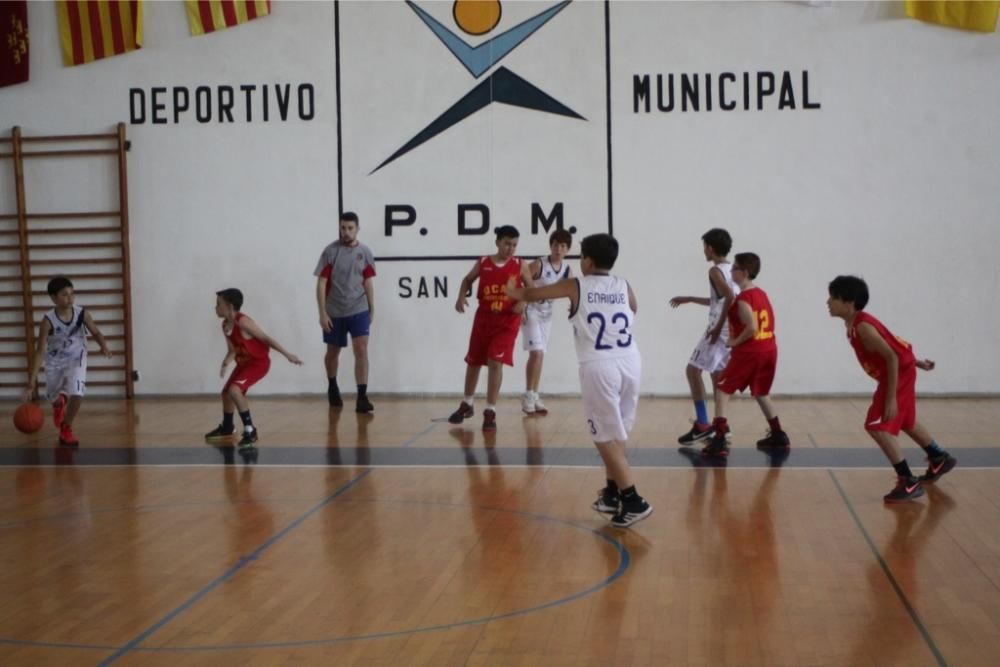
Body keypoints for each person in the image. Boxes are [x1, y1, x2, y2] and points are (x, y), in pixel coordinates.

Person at [506, 233, 652, 528]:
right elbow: (634, 308)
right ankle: (612, 493)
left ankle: (633, 498)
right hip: (630, 359)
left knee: (602, 436)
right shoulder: (624, 284)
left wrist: (512, 290)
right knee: (619, 431)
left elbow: (536, 295)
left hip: (599, 365)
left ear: (587, 260)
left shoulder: (577, 285)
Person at [827, 275, 956, 502]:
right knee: (905, 421)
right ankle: (938, 457)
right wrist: (916, 361)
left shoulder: (863, 327)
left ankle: (907, 481)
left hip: (897, 373)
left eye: (833, 298)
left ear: (849, 303)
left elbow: (891, 357)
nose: (828, 302)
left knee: (876, 426)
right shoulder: (856, 323)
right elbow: (894, 345)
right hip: (902, 369)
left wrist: (890, 399)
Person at [701, 253, 789, 457]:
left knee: (722, 389)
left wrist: (734, 342)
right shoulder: (761, 293)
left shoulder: (743, 298)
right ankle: (778, 434)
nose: (731, 271)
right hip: (769, 349)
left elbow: (751, 327)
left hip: (751, 351)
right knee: (761, 393)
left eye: (735, 269)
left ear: (745, 272)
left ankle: (720, 438)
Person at [448, 225, 534, 431]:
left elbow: (532, 288)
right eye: (507, 244)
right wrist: (461, 297)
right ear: (497, 242)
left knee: (495, 361)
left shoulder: (520, 264)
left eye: (514, 245)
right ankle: (467, 403)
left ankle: (490, 410)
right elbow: (467, 280)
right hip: (484, 318)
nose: (510, 248)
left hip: (507, 321)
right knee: (474, 360)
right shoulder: (484, 262)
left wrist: (524, 302)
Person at [205, 288, 302, 449]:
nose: (215, 307)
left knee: (234, 390)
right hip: (243, 364)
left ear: (229, 306)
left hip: (258, 363)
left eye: (218, 304)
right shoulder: (225, 325)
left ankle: (250, 431)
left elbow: (265, 338)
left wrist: (287, 354)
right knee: (226, 393)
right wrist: (225, 363)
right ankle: (228, 427)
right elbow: (233, 350)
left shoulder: (243, 322)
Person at [23, 276, 112, 447]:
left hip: (76, 357)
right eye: (64, 295)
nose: (70, 298)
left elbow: (96, 332)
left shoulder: (82, 313)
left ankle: (66, 428)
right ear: (53, 298)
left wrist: (104, 346)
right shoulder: (47, 321)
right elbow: (40, 351)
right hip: (54, 361)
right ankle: (59, 403)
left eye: (72, 294)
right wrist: (31, 383)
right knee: (53, 396)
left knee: (77, 392)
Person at [669, 228, 738, 444]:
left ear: (710, 247)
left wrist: (717, 328)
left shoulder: (715, 271)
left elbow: (729, 296)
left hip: (719, 328)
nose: (703, 251)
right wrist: (690, 298)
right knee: (717, 377)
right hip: (730, 328)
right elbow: (723, 299)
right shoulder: (733, 269)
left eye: (704, 247)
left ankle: (702, 424)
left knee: (692, 371)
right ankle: (721, 426)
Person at [314, 211, 376, 413]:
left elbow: (367, 281)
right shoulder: (330, 252)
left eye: (350, 228)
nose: (346, 232)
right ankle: (332, 386)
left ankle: (362, 396)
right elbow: (321, 284)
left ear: (357, 229)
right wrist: (323, 313)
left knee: (362, 350)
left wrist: (372, 307)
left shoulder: (365, 252)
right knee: (333, 353)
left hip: (358, 309)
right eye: (343, 228)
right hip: (335, 311)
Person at [521, 228, 573, 415]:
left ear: (567, 249)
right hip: (531, 310)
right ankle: (527, 394)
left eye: (562, 246)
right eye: (555, 244)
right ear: (550, 246)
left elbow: (572, 291)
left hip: (547, 314)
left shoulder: (567, 270)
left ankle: (534, 394)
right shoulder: (539, 264)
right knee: (536, 354)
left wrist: (573, 306)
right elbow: (520, 279)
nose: (558, 248)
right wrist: (521, 304)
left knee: (541, 355)